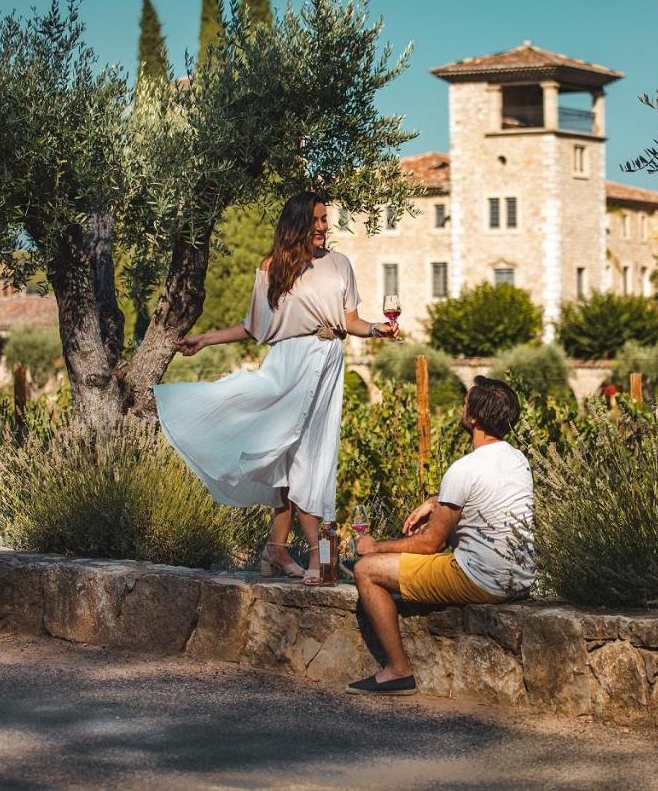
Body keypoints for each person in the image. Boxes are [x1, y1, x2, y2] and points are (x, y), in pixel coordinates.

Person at [153, 192, 398, 585]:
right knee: (301, 457)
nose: (323, 227)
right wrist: (206, 340)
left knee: (305, 454)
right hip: (289, 365)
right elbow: (254, 327)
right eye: (316, 220)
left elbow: (349, 320)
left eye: (325, 220)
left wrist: (376, 330)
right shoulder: (271, 269)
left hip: (329, 361)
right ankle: (320, 561)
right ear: (298, 223)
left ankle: (277, 548)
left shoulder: (339, 265)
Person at [347, 376, 534, 695]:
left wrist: (374, 547)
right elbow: (478, 497)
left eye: (466, 403)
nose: (462, 407)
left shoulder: (464, 469)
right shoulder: (518, 460)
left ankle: (397, 671)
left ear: (473, 417)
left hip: (481, 580)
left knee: (366, 570)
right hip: (521, 577)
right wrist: (435, 502)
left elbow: (430, 543)